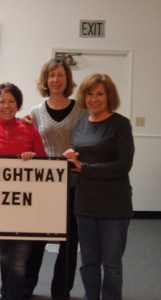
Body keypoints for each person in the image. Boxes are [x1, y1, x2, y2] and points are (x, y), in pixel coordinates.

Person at [0, 82, 47, 300]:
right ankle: (8, 294)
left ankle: (11, 296)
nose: (6, 106)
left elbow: (44, 162)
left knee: (20, 259)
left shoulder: (29, 129)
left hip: (26, 204)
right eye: (1, 101)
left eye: (11, 101)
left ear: (18, 104)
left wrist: (33, 159)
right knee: (5, 256)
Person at [63, 73, 134, 300]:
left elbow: (123, 166)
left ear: (109, 96)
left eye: (100, 94)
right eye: (90, 93)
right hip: (85, 203)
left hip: (114, 205)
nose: (94, 99)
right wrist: (70, 155)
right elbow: (78, 156)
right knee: (88, 262)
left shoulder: (120, 124)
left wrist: (84, 167)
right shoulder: (82, 124)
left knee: (111, 266)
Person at [23, 57, 88, 300]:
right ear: (45, 80)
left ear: (67, 79)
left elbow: (89, 142)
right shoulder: (35, 112)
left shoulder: (81, 110)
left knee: (69, 242)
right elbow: (28, 141)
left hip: (72, 184)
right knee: (36, 241)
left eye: (60, 75)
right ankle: (27, 287)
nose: (56, 80)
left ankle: (60, 291)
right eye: (51, 75)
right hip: (44, 185)